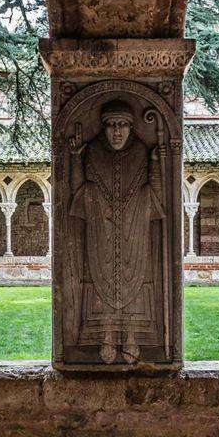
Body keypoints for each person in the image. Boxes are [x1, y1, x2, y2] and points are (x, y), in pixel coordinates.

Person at [68, 99, 164, 364]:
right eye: (111, 125)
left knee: (135, 277)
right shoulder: (94, 153)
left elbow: (151, 193)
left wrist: (155, 164)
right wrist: (76, 159)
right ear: (104, 128)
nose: (117, 132)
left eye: (122, 125)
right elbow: (81, 192)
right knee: (102, 279)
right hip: (101, 230)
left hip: (134, 230)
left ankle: (132, 336)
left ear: (131, 127)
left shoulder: (140, 153)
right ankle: (107, 336)